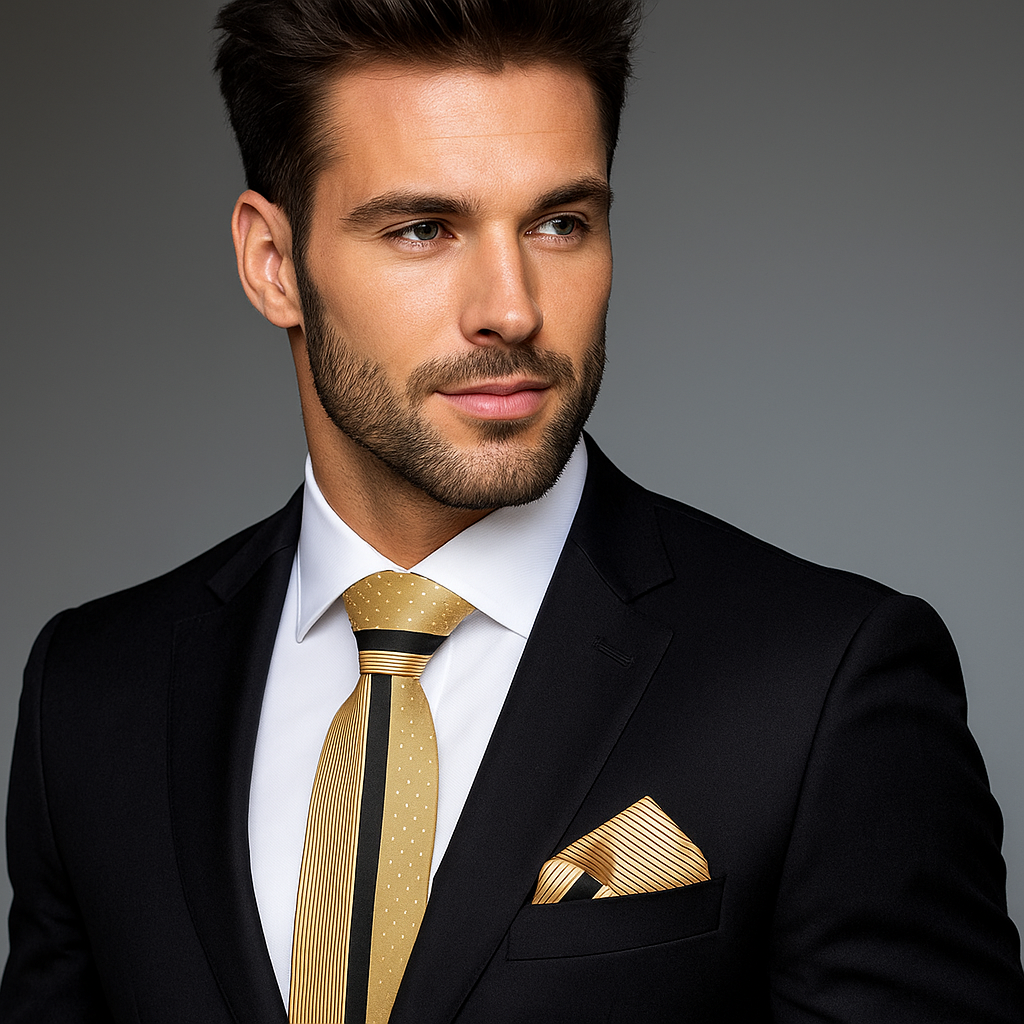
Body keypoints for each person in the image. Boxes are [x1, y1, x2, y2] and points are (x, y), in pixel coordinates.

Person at [2, 0, 1022, 1020]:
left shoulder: (820, 686)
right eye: (422, 229)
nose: (513, 307)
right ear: (273, 263)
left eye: (559, 224)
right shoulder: (90, 698)